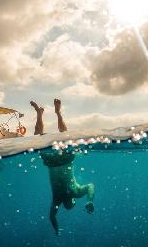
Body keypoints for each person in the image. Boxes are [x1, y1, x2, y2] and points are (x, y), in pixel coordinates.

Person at [31, 98, 94, 235]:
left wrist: (89, 200)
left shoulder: (74, 193)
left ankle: (57, 113)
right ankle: (41, 114)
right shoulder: (58, 200)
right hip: (52, 164)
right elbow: (52, 216)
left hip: (65, 161)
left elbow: (90, 186)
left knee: (64, 137)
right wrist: (56, 230)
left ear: (72, 200)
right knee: (39, 138)